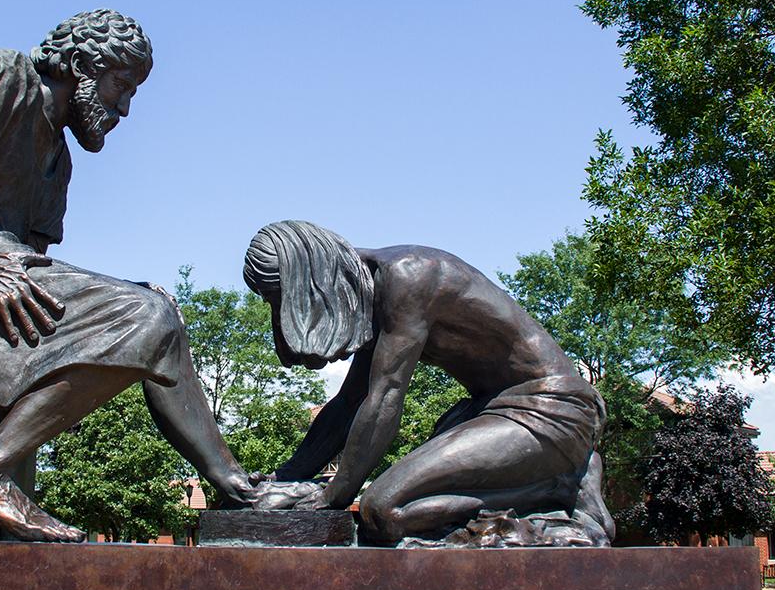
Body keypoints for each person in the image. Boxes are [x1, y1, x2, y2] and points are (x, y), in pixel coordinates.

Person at [0, 10, 254, 542]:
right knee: (149, 318)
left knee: (156, 316)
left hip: (6, 285)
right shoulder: (3, 77)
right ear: (78, 64)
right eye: (121, 85)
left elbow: (38, 265)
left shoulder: (58, 160)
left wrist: (128, 300)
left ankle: (235, 487)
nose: (123, 108)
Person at [242, 220, 614, 546]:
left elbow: (385, 396)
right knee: (387, 510)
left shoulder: (408, 276)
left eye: (282, 299)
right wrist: (288, 477)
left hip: (551, 410)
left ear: (312, 281)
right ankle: (546, 483)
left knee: (384, 510)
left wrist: (334, 495)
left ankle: (557, 486)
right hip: (488, 411)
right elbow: (349, 402)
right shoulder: (372, 296)